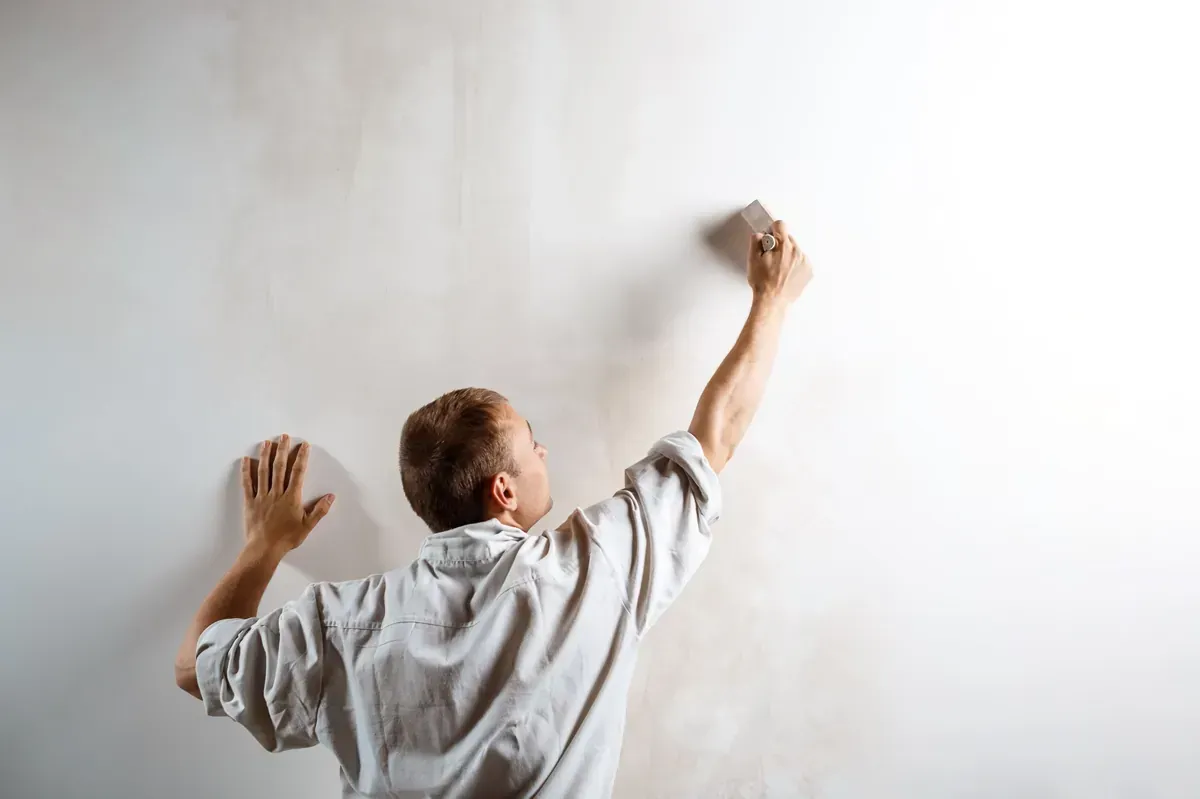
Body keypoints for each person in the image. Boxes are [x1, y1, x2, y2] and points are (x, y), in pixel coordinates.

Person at [174, 220, 813, 798]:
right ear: (502, 491)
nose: (544, 448)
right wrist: (772, 301)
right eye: (531, 440)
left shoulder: (338, 627)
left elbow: (196, 665)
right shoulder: (594, 571)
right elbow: (716, 433)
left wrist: (264, 547)